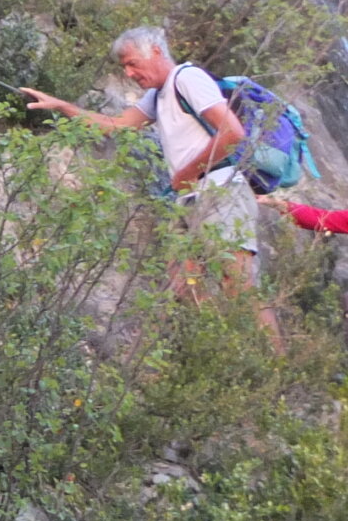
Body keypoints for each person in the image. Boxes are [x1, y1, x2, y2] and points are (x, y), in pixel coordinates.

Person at [21, 26, 278, 338]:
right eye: (124, 67)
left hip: (221, 190)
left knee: (238, 282)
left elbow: (233, 133)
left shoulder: (187, 78)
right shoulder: (157, 95)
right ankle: (224, 350)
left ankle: (273, 370)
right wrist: (62, 106)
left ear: (156, 52)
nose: (129, 73)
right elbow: (115, 126)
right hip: (189, 198)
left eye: (132, 64)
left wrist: (187, 173)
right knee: (182, 281)